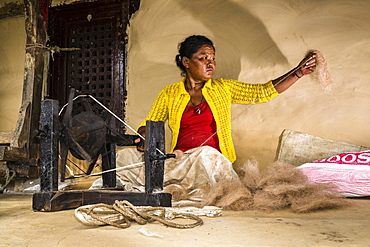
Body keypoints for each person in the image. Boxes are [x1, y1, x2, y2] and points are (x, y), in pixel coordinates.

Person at [93, 35, 317, 206]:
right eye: (203, 58)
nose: (210, 63)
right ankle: (106, 193)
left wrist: (297, 72)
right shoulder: (169, 93)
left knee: (205, 154)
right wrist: (144, 136)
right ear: (186, 62)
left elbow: (264, 91)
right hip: (180, 162)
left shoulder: (223, 88)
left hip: (211, 163)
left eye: (212, 59)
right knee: (124, 157)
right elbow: (151, 123)